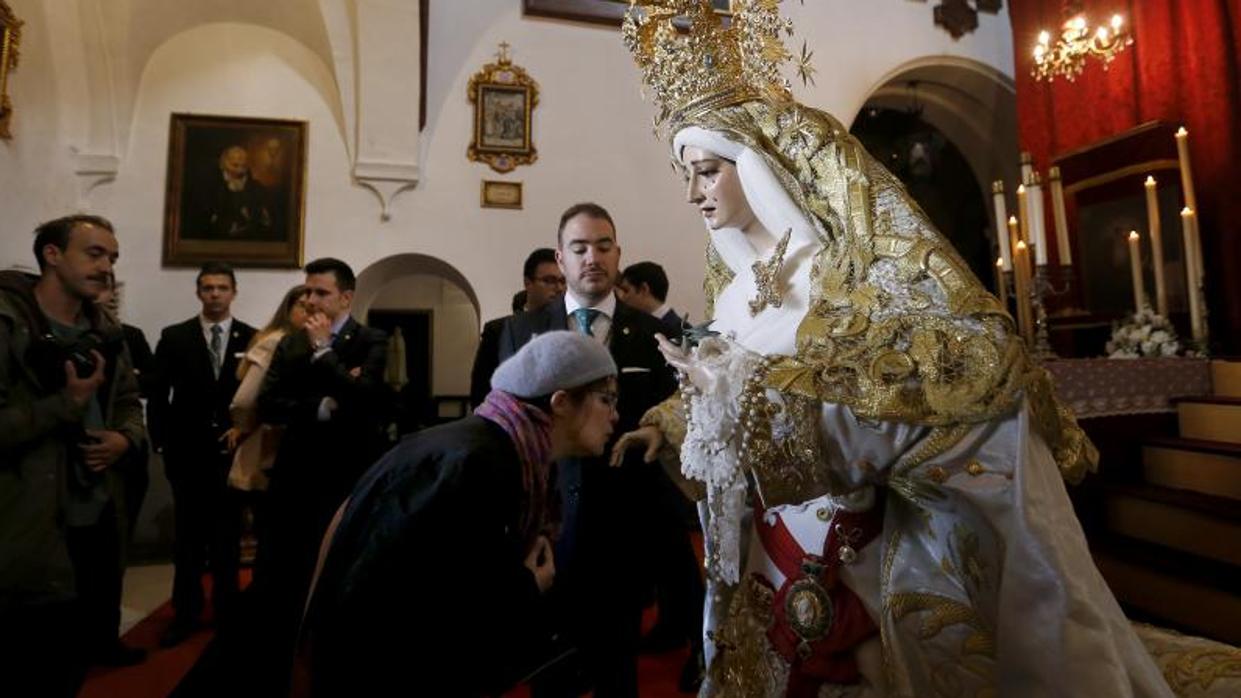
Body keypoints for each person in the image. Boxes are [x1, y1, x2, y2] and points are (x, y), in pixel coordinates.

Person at [614, 2, 1174, 696]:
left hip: (864, 552)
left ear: (753, 166)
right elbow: (722, 382)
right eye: (687, 176)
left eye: (706, 170)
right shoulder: (733, 292)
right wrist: (667, 422)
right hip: (773, 547)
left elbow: (942, 384)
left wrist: (765, 407)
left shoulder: (839, 278)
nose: (695, 193)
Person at [300, 331, 621, 697]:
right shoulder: (472, 465)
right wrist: (527, 584)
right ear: (561, 402)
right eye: (606, 400)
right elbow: (423, 609)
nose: (615, 415)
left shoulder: (492, 449)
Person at [497, 203, 680, 697]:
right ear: (561, 257)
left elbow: (678, 417)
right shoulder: (521, 331)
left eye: (603, 246)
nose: (592, 257)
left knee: (618, 673)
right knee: (549, 676)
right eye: (579, 248)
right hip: (547, 530)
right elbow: (502, 428)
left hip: (625, 531)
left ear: (618, 254)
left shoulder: (655, 336)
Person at [0, 214, 146, 693]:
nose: (106, 267)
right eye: (95, 253)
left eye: (113, 257)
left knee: (70, 667)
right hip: (25, 525)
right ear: (52, 254)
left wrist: (124, 438)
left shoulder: (105, 329)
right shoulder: (8, 322)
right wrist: (68, 404)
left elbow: (128, 402)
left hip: (96, 519)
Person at [255, 257, 388, 695]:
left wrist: (325, 354)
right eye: (307, 291)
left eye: (321, 292)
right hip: (296, 474)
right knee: (287, 573)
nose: (309, 300)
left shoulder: (371, 339)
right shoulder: (290, 344)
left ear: (346, 297)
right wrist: (321, 406)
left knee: (342, 570)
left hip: (349, 473)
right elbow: (269, 403)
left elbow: (367, 398)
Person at [149, 262, 257, 647]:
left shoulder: (252, 337)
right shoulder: (175, 336)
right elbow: (158, 393)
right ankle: (186, 613)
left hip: (232, 452)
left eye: (222, 287)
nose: (215, 294)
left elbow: (256, 396)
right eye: (208, 287)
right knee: (189, 540)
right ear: (198, 292)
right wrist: (159, 440)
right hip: (187, 452)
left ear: (233, 292)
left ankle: (228, 613)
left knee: (227, 538)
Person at [222, 284, 311, 494]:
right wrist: (243, 427)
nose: (308, 313)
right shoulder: (277, 341)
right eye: (301, 306)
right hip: (266, 442)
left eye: (313, 308)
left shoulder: (307, 342)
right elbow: (245, 399)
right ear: (287, 310)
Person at [470, 248, 565, 408]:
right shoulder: (498, 331)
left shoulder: (570, 328)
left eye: (563, 281)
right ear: (528, 283)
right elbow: (481, 391)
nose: (559, 288)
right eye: (549, 280)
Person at [188, 144, 277, 240]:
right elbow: (204, 216)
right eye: (235, 165)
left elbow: (262, 217)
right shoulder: (210, 184)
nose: (240, 170)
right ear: (223, 163)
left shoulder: (256, 187)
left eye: (243, 166)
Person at [617, 261, 685, 337]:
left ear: (643, 289)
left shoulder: (682, 335)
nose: (622, 297)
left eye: (626, 290)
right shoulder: (635, 325)